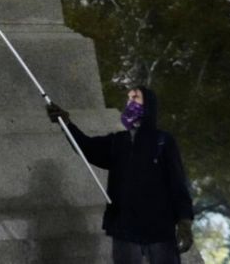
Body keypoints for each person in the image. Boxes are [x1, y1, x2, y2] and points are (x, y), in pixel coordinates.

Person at [47, 87, 195, 264]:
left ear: (149, 104)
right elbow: (86, 148)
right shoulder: (118, 141)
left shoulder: (163, 141)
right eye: (129, 97)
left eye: (136, 97)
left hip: (159, 227)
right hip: (124, 227)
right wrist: (66, 124)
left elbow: (177, 182)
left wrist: (184, 221)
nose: (130, 101)